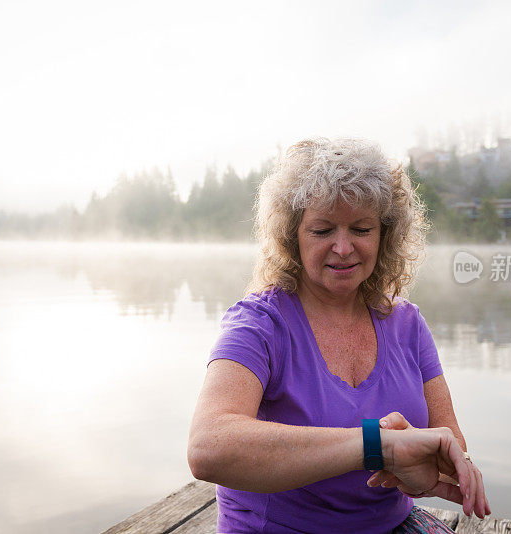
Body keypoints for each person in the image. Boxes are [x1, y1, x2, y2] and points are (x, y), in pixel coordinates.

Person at [188, 138, 490, 533]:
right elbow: (208, 447)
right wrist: (377, 447)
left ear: (384, 236)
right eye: (322, 229)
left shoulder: (407, 324)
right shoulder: (259, 324)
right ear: (292, 236)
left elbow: (450, 445)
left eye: (361, 228)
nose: (343, 247)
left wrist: (437, 464)